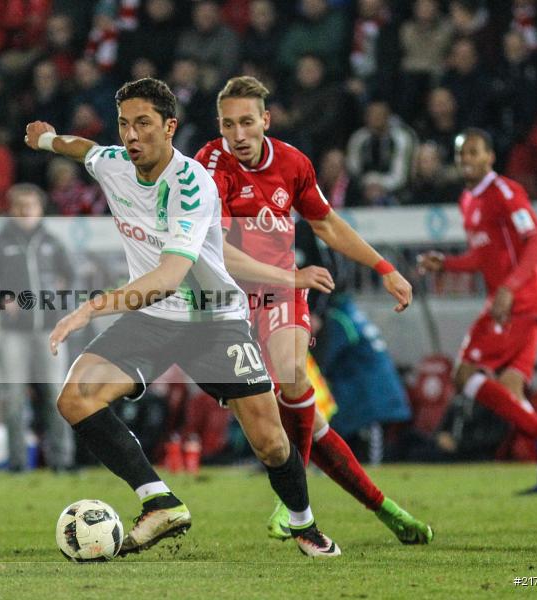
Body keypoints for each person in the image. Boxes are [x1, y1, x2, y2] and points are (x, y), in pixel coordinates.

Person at [24, 77, 340, 557]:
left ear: (170, 127)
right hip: (155, 319)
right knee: (76, 398)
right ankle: (159, 502)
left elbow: (170, 276)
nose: (131, 136)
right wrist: (47, 139)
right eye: (125, 125)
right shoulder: (115, 163)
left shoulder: (192, 183)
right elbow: (84, 148)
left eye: (144, 124)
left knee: (271, 443)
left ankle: (304, 524)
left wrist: (89, 309)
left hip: (214, 320)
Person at [195, 76, 432, 545]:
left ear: (265, 119)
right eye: (228, 125)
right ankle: (386, 509)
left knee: (291, 374)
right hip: (226, 306)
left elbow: (326, 223)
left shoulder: (292, 162)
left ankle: (292, 504)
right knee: (293, 431)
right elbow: (216, 251)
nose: (238, 135)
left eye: (247, 122)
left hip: (280, 295)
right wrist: (293, 276)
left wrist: (384, 267)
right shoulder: (209, 165)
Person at [418, 128, 537, 494]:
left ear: (490, 156)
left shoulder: (504, 191)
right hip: (515, 301)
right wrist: (449, 265)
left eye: (473, 152)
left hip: (517, 302)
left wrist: (508, 288)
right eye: (460, 154)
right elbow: (484, 258)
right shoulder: (468, 200)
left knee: (463, 373)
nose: (466, 160)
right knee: (510, 391)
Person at [0, 183, 76, 472]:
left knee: (57, 396)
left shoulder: (51, 242)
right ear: (11, 210)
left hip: (50, 332)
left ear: (40, 210)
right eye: (21, 206)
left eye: (31, 206)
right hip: (14, 334)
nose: (26, 211)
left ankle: (62, 461)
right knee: (12, 399)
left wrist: (62, 295)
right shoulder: (0, 243)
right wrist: (1, 301)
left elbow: (72, 275)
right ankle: (16, 463)